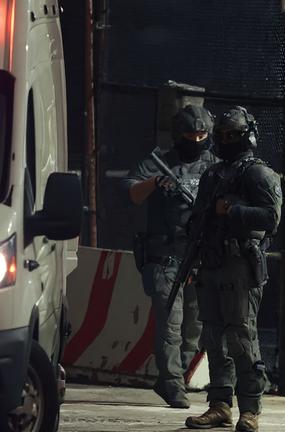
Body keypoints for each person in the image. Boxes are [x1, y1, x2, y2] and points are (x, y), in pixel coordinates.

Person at [184, 106, 282, 432]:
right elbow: (198, 218)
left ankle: (250, 409)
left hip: (240, 265)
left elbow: (271, 218)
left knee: (241, 337)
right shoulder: (213, 175)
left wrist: (234, 210)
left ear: (248, 136)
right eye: (222, 135)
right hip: (211, 264)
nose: (226, 141)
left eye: (233, 135)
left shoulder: (258, 174)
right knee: (213, 337)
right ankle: (220, 404)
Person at [124, 104, 219, 408]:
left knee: (196, 327)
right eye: (191, 133)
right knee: (171, 325)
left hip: (200, 257)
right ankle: (171, 382)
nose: (196, 139)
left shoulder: (214, 165)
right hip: (166, 256)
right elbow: (132, 192)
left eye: (202, 133)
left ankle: (179, 374)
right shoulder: (161, 163)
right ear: (179, 135)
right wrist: (155, 184)